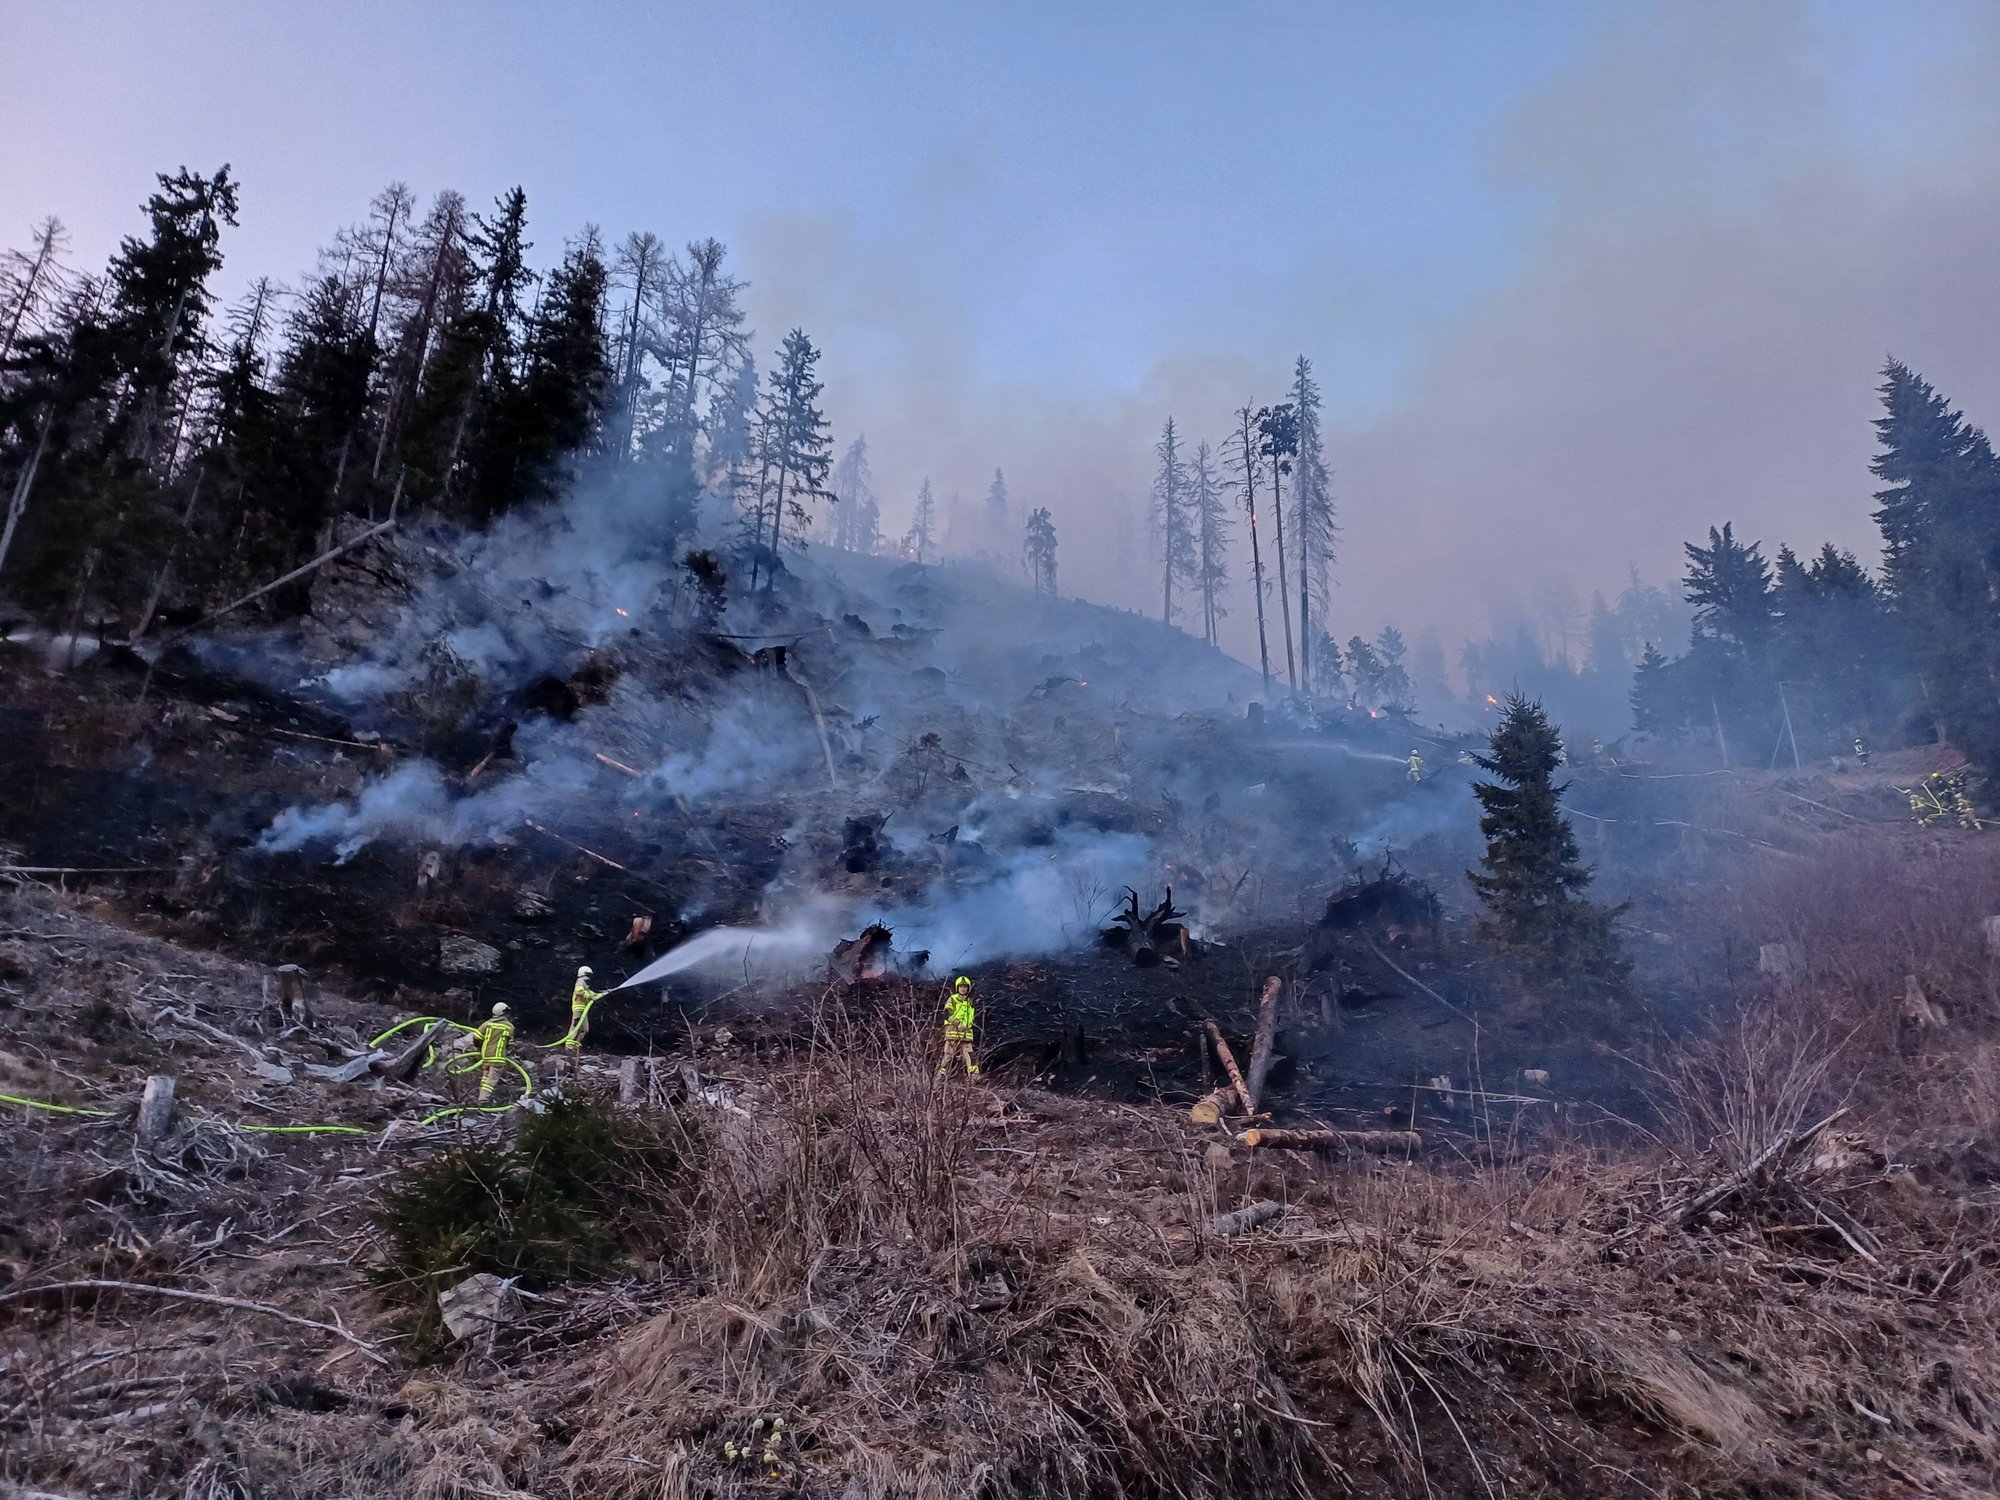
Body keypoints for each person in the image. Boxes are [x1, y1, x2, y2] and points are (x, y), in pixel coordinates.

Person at [939, 975, 979, 1078]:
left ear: (968, 988)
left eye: (965, 986)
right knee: (948, 1055)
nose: (963, 988)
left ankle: (975, 1077)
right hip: (953, 1032)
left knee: (970, 1055)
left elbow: (971, 1017)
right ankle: (941, 1076)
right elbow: (947, 1012)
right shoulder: (953, 999)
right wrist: (954, 1022)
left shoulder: (969, 1002)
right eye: (961, 986)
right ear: (957, 987)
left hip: (966, 1034)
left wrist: (967, 1025)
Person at [475, 1003, 515, 1101]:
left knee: (485, 1078)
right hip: (498, 1057)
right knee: (491, 1080)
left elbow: (476, 1038)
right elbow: (510, 1044)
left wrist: (479, 1048)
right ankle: (483, 1099)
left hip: (485, 1056)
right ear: (504, 1013)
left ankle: (481, 1097)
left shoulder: (487, 1024)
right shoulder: (508, 1026)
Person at [563, 964, 604, 1053]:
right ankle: (569, 1046)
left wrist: (598, 994)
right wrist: (591, 996)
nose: (589, 977)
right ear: (584, 974)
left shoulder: (584, 984)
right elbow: (579, 992)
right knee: (576, 1026)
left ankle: (575, 1045)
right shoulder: (580, 982)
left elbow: (589, 992)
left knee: (585, 1029)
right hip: (578, 1008)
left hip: (583, 1009)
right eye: (588, 975)